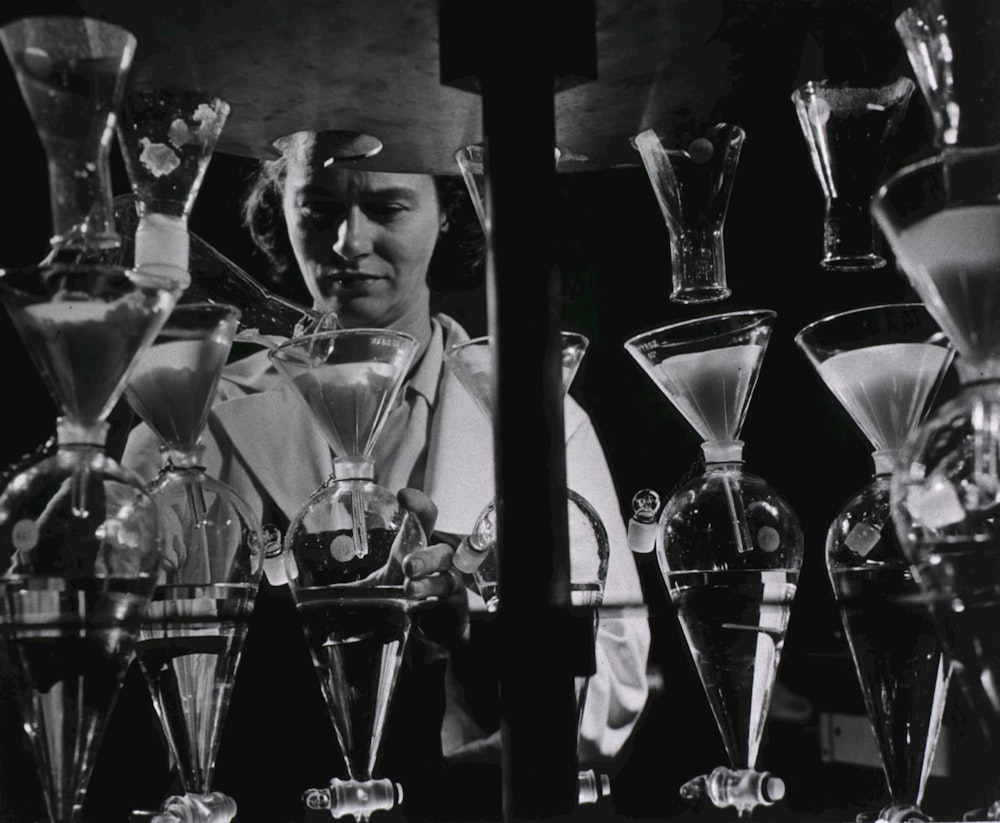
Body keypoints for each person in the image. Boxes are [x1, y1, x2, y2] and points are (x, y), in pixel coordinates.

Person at [119, 129, 651, 821]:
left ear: (449, 212)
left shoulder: (539, 417)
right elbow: (107, 635)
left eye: (389, 207)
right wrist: (104, 548)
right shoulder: (196, 414)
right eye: (318, 208)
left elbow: (615, 688)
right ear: (278, 205)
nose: (348, 240)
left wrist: (478, 642)